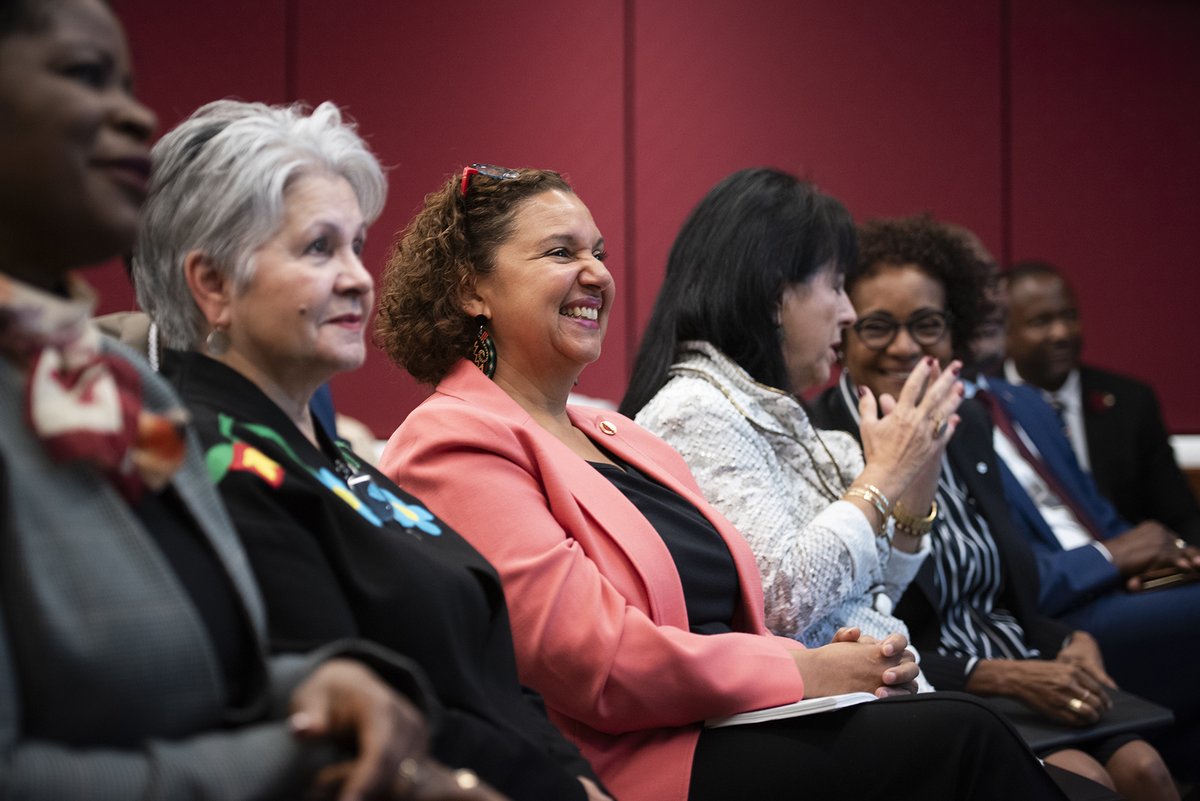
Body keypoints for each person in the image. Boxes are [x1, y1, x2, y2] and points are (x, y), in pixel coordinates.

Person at [372, 165, 1094, 801]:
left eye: (600, 252)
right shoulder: (453, 440)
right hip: (638, 762)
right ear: (471, 288)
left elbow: (749, 609)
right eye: (562, 252)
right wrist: (807, 669)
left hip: (735, 720)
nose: (596, 273)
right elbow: (599, 662)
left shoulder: (618, 435)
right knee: (964, 737)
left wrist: (848, 653)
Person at [0, 2, 494, 800]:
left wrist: (316, 683)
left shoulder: (119, 384)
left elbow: (205, 661)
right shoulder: (202, 428)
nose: (135, 115)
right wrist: (300, 753)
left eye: (128, 83)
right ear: (212, 285)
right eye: (87, 76)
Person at [133, 100, 607, 801]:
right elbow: (360, 719)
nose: (359, 276)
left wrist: (580, 781)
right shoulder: (212, 465)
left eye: (356, 245)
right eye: (318, 249)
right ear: (213, 285)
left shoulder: (332, 456)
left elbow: (494, 683)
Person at [811, 214, 1180, 799]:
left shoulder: (967, 423)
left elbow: (1010, 585)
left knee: (1146, 770)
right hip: (931, 686)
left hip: (1025, 663)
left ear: (954, 331)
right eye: (878, 327)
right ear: (844, 333)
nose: (905, 347)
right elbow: (845, 629)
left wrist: (1063, 640)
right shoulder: (822, 440)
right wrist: (1002, 677)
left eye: (927, 324)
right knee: (1085, 780)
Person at [619, 168, 957, 668]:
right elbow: (783, 600)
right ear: (775, 297)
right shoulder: (694, 412)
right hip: (800, 702)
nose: (848, 312)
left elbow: (880, 593)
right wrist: (885, 473)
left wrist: (917, 473)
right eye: (836, 286)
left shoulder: (772, 411)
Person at [1004, 260, 1200, 546]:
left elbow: (1181, 516)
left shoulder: (1131, 403)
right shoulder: (983, 404)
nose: (1061, 333)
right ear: (1005, 331)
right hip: (1034, 567)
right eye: (1041, 321)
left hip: (1130, 565)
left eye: (1069, 316)